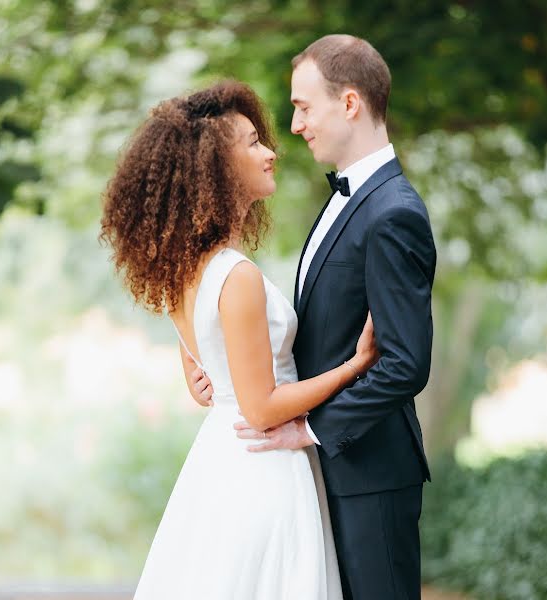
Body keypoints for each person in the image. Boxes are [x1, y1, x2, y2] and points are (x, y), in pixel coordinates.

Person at [100, 80, 381, 600]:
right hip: (263, 468)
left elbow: (201, 371)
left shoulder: (181, 269)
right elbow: (262, 408)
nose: (271, 152)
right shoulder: (236, 275)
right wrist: (355, 365)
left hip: (220, 464)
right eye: (253, 143)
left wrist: (203, 378)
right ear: (216, 167)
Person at [191, 35, 436, 600]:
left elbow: (404, 363)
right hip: (320, 472)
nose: (295, 125)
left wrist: (312, 428)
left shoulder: (394, 213)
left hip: (370, 474)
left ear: (349, 103)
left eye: (303, 106)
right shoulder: (345, 201)